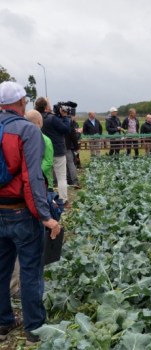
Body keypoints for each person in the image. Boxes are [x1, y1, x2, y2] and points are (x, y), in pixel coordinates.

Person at [0, 81, 61, 345]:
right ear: (21, 102)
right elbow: (33, 178)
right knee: (30, 270)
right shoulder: (26, 130)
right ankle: (34, 327)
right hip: (21, 212)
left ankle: (3, 322)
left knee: (1, 270)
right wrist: (45, 216)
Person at [37, 97, 71, 204]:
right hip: (57, 151)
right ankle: (63, 199)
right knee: (61, 177)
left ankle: (46, 198)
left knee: (46, 176)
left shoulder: (36, 117)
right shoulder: (53, 118)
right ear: (46, 106)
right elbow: (65, 129)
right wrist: (65, 117)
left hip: (42, 151)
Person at [65, 115, 80, 187]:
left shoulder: (55, 120)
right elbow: (73, 136)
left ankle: (58, 181)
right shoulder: (68, 122)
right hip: (67, 146)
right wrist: (76, 147)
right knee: (70, 163)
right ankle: (73, 180)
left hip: (57, 146)